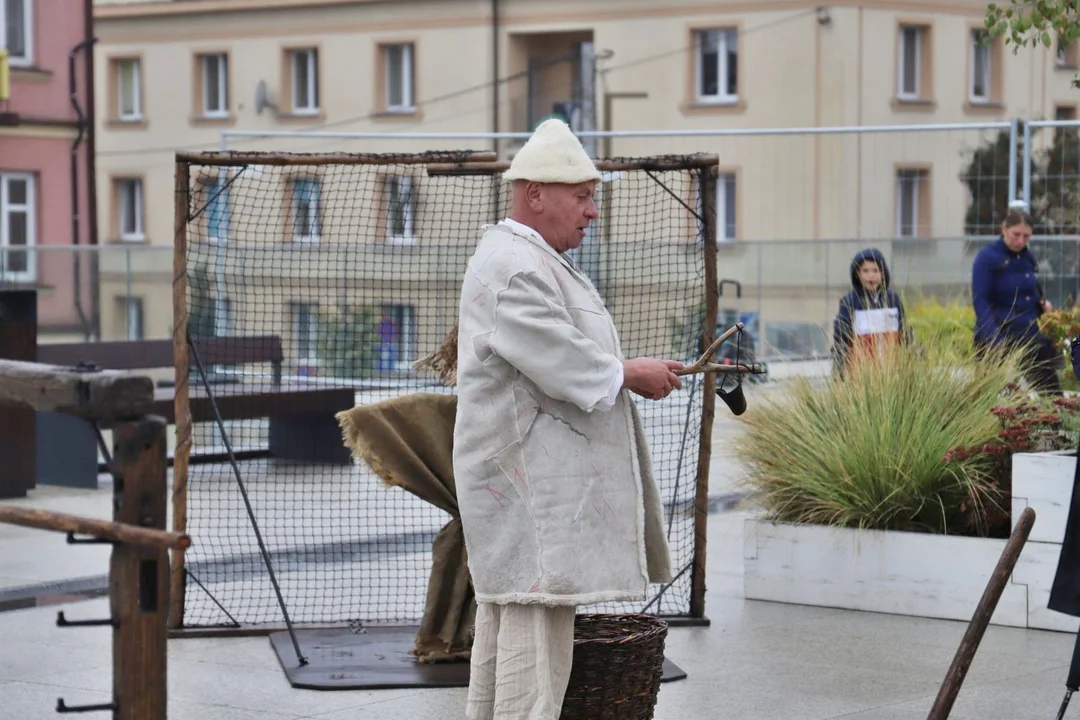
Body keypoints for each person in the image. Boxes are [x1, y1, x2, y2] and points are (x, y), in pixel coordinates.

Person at [453, 118, 678, 720]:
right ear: (535, 194)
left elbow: (566, 355)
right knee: (529, 654)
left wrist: (631, 370)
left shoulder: (528, 256)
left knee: (515, 645)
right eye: (582, 197)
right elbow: (561, 359)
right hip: (527, 501)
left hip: (534, 499)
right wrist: (631, 373)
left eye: (593, 198)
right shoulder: (514, 265)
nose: (592, 212)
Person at [972, 207, 1062, 395]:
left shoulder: (1027, 257)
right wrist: (995, 341)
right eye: (1016, 234)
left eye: (1026, 236)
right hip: (997, 337)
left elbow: (1027, 292)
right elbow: (981, 301)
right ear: (1004, 229)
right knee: (992, 401)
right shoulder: (987, 258)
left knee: (1053, 397)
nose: (1021, 241)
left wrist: (1044, 307)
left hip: (1029, 335)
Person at [831, 248, 909, 376]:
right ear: (857, 274)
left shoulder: (893, 300)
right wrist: (839, 371)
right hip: (859, 374)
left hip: (891, 372)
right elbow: (841, 338)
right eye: (865, 271)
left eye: (875, 270)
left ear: (883, 274)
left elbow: (904, 333)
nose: (871, 276)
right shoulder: (849, 302)